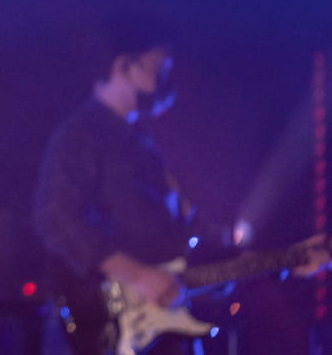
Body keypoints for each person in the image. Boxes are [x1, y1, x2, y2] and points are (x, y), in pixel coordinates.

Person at [32, 23, 327, 355]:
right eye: (159, 67)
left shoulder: (142, 145)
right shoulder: (80, 136)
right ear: (123, 66)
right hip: (101, 328)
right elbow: (55, 219)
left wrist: (284, 260)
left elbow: (195, 240)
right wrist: (137, 274)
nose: (167, 80)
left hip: (160, 329)